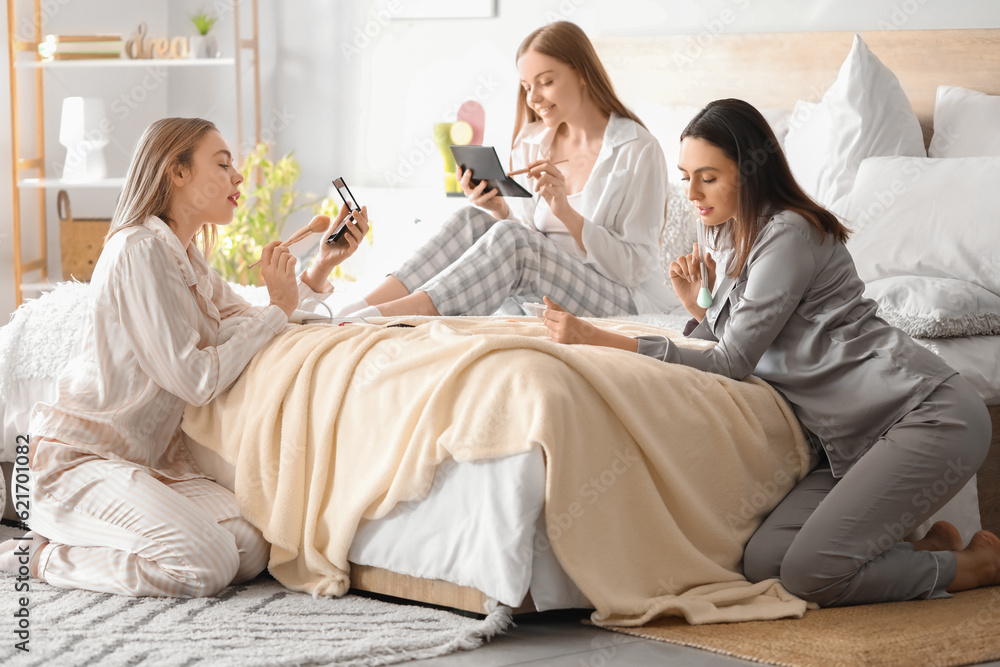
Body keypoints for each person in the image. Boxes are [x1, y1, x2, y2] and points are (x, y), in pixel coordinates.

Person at [541, 98, 999, 606]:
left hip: (926, 415)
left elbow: (732, 362)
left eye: (708, 177)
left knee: (809, 575)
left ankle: (971, 568)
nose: (690, 192)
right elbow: (740, 340)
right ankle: (931, 547)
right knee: (764, 562)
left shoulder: (788, 234)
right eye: (685, 176)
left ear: (750, 172)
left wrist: (599, 338)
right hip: (853, 439)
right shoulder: (738, 236)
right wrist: (698, 305)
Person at [0, 117, 369, 597]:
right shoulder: (138, 250)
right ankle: (41, 557)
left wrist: (320, 266)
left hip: (145, 466)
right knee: (206, 565)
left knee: (257, 544)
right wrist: (275, 310)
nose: (238, 178)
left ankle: (97, 534)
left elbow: (256, 321)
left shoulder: (187, 258)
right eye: (222, 164)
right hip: (73, 462)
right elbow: (196, 378)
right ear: (176, 172)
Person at [342, 21, 672, 319]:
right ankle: (360, 308)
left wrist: (568, 215)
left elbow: (636, 269)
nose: (534, 99)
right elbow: (527, 245)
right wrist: (500, 210)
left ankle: (399, 317)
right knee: (471, 219)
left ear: (582, 73)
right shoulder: (532, 141)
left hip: (617, 298)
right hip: (548, 288)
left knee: (514, 240)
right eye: (527, 87)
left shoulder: (638, 149)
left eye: (546, 82)